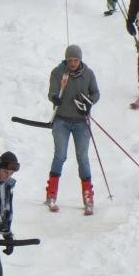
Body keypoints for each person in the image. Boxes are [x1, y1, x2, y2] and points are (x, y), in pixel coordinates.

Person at [46, 45, 101, 215]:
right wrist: (55, 98)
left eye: (76, 60)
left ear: (80, 59)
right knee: (60, 155)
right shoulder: (58, 72)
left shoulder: (88, 74)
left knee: (82, 158)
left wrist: (89, 103)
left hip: (81, 122)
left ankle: (88, 196)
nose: (73, 63)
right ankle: (51, 193)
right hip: (61, 120)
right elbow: (52, 92)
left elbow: (96, 93)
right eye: (69, 60)